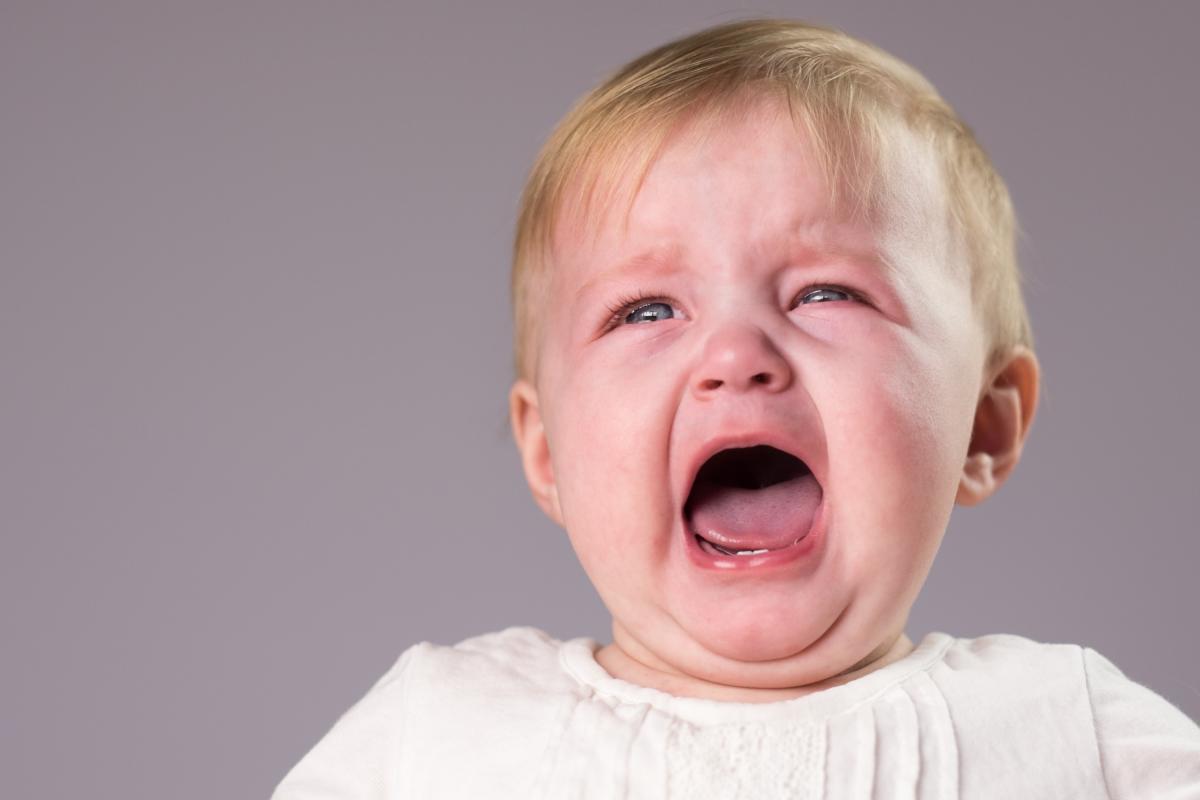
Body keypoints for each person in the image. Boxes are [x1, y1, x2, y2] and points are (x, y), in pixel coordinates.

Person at [272, 18, 1200, 798]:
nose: (735, 357)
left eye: (826, 293)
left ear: (985, 426)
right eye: (646, 310)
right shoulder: (434, 737)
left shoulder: (1075, 736)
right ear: (548, 449)